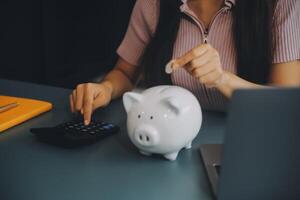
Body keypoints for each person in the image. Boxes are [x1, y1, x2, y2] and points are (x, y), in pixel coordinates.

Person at [70, 0, 300, 125]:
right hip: (171, 135)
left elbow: (285, 107)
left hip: (250, 139)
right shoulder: (153, 4)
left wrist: (222, 78)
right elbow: (124, 73)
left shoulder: (281, 4)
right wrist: (106, 88)